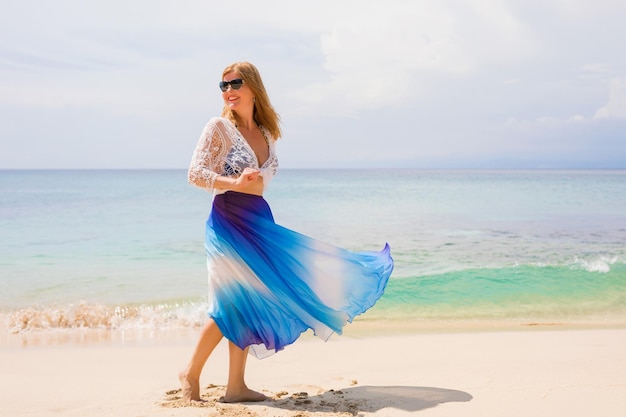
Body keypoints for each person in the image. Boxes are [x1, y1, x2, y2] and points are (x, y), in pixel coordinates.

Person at [179, 61, 394, 403]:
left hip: (258, 220)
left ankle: (235, 386)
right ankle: (190, 373)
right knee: (229, 303)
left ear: (252, 87)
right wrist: (233, 181)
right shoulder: (218, 127)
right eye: (223, 86)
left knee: (247, 301)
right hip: (228, 219)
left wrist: (247, 183)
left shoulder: (266, 134)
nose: (229, 91)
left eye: (234, 83)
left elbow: (263, 181)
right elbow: (195, 173)